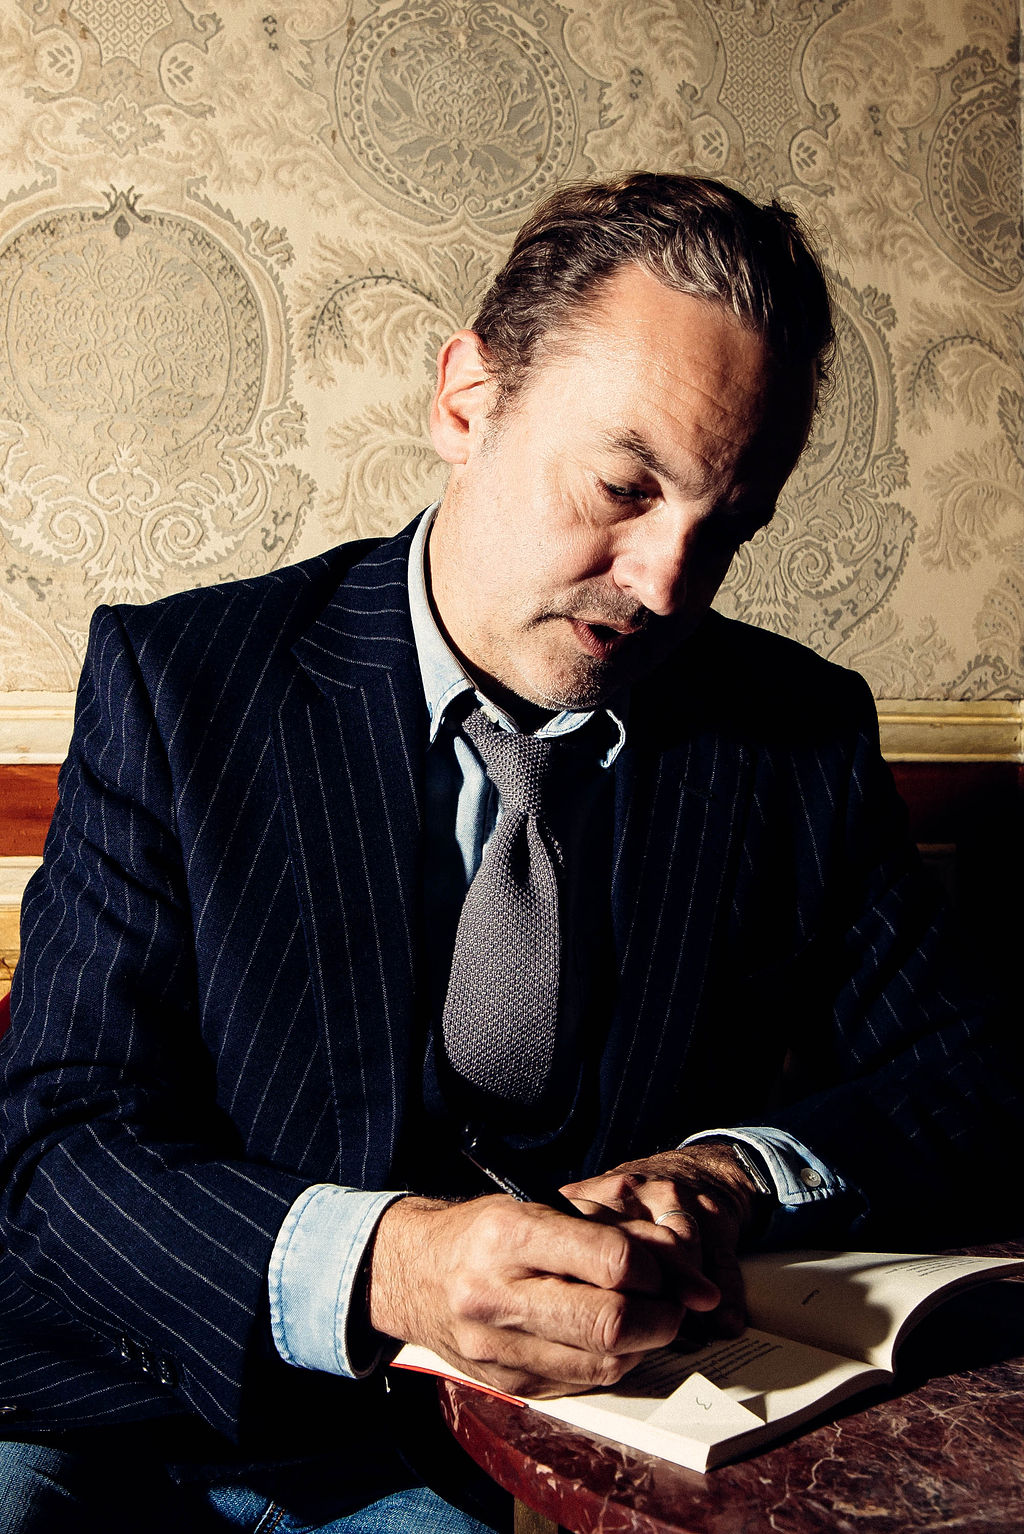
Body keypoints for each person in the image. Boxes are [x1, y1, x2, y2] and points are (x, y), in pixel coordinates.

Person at [0, 174, 1016, 1533]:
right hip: (101, 1402)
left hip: (456, 1462)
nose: (665, 583)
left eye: (727, 526)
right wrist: (392, 1268)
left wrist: (736, 1171)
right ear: (467, 402)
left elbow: (974, 1073)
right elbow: (57, 1144)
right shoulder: (182, 680)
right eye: (624, 485)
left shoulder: (796, 735)